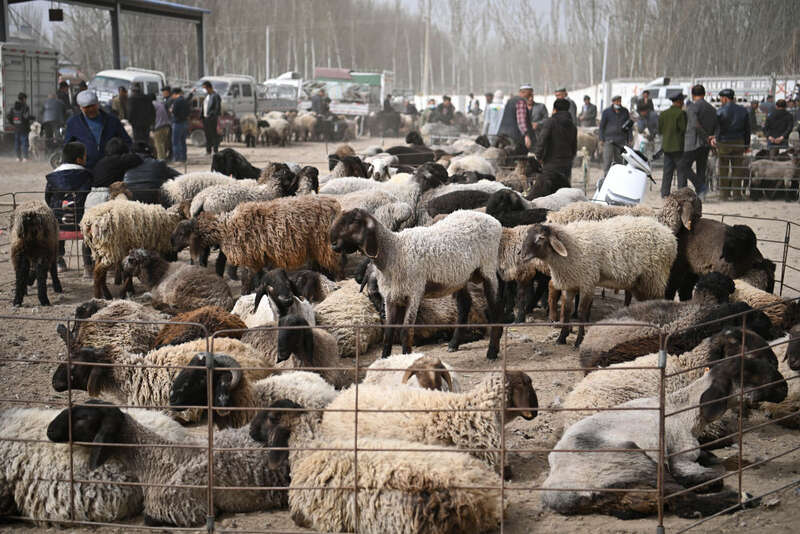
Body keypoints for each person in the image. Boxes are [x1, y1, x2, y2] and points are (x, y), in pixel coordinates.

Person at [45, 141, 92, 272]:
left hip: (59, 224)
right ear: (79, 159)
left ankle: (59, 261)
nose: (86, 159)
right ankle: (88, 263)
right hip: (82, 223)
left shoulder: (53, 176)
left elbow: (48, 198)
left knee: (55, 218)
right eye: (85, 156)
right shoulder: (87, 176)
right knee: (92, 222)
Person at [64, 90, 132, 169]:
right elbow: (68, 148)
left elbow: (126, 141)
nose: (91, 109)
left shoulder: (112, 121)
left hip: (110, 167)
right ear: (80, 107)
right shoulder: (73, 123)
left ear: (97, 104)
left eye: (93, 106)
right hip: (85, 168)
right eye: (86, 107)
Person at [678, 84, 717, 200]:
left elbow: (695, 125)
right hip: (706, 145)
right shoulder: (712, 109)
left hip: (693, 143)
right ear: (704, 94)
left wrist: (705, 137)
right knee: (701, 169)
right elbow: (714, 126)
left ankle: (700, 187)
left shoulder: (692, 108)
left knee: (683, 165)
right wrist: (709, 138)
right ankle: (700, 196)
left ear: (692, 95)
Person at [711, 88, 750, 201]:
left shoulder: (720, 111)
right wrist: (746, 144)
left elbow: (717, 128)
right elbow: (747, 129)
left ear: (725, 98)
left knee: (723, 169)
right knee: (737, 169)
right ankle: (737, 194)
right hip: (739, 142)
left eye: (721, 98)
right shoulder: (743, 111)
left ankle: (724, 194)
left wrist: (716, 139)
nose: (721, 100)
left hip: (724, 143)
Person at [535, 98, 577, 185]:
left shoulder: (551, 122)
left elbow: (542, 139)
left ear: (554, 110)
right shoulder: (572, 125)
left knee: (549, 188)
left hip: (551, 164)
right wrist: (570, 159)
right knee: (563, 189)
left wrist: (538, 157)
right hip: (566, 164)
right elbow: (574, 147)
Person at [658, 93, 687, 197]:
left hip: (666, 147)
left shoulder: (663, 114)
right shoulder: (681, 114)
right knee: (681, 172)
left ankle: (665, 193)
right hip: (678, 147)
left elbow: (660, 130)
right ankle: (682, 193)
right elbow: (684, 129)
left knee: (667, 172)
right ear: (679, 101)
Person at [598, 95, 631, 174]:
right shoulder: (606, 112)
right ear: (613, 102)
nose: (619, 103)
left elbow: (629, 126)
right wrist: (601, 139)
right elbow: (602, 126)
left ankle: (619, 177)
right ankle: (606, 176)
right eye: (617, 102)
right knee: (607, 160)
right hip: (609, 139)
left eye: (620, 101)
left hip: (621, 140)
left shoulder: (625, 111)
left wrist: (630, 138)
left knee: (620, 161)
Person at [498, 84, 535, 154]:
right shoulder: (521, 101)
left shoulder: (510, 101)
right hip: (515, 138)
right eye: (530, 93)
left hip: (503, 135)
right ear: (523, 92)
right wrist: (526, 135)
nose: (531, 95)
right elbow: (521, 121)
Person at [9, 92, 32, 162]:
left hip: (16, 127)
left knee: (17, 142)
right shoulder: (25, 107)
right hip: (23, 127)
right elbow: (26, 117)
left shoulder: (13, 107)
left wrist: (13, 123)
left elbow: (9, 116)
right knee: (24, 142)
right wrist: (31, 118)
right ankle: (25, 157)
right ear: (24, 99)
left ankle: (18, 157)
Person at [169, 87, 190, 163]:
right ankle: (184, 158)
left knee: (175, 142)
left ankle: (177, 158)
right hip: (185, 123)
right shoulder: (185, 101)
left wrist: (171, 110)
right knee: (183, 141)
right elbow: (188, 111)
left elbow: (174, 111)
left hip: (177, 123)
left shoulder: (176, 101)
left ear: (174, 94)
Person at [201, 80, 221, 155]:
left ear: (209, 88)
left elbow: (217, 108)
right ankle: (208, 150)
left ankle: (215, 150)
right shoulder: (206, 96)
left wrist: (213, 116)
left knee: (213, 135)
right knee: (207, 135)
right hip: (205, 118)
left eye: (205, 88)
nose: (204, 90)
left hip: (211, 118)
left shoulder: (215, 96)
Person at [151, 96, 171, 160]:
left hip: (159, 127)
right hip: (167, 126)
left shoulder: (152, 104)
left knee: (158, 145)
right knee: (163, 144)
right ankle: (164, 158)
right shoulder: (160, 104)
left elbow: (151, 116)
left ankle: (161, 160)